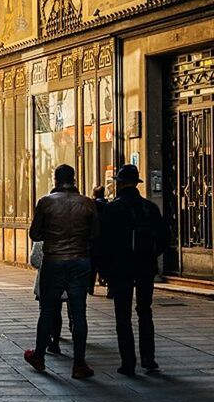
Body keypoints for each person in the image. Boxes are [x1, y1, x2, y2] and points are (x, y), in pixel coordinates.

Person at [25, 163, 99, 380]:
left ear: (55, 179)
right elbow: (95, 235)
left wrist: (53, 235)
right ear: (74, 179)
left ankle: (39, 355)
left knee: (47, 310)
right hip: (79, 262)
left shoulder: (46, 203)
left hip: (54, 261)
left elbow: (35, 234)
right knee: (79, 312)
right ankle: (79, 363)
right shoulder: (87, 203)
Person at [99, 164, 169, 376]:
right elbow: (164, 237)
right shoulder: (150, 208)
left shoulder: (112, 209)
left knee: (123, 316)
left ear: (119, 184)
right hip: (145, 267)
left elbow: (103, 242)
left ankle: (128, 362)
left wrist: (104, 269)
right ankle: (149, 359)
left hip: (120, 268)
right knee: (145, 312)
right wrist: (152, 256)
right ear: (137, 183)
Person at [30, 240, 68, 354]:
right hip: (63, 280)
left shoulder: (43, 238)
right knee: (57, 312)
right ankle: (55, 342)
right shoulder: (68, 236)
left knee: (45, 313)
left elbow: (35, 261)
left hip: (46, 281)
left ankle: (43, 345)